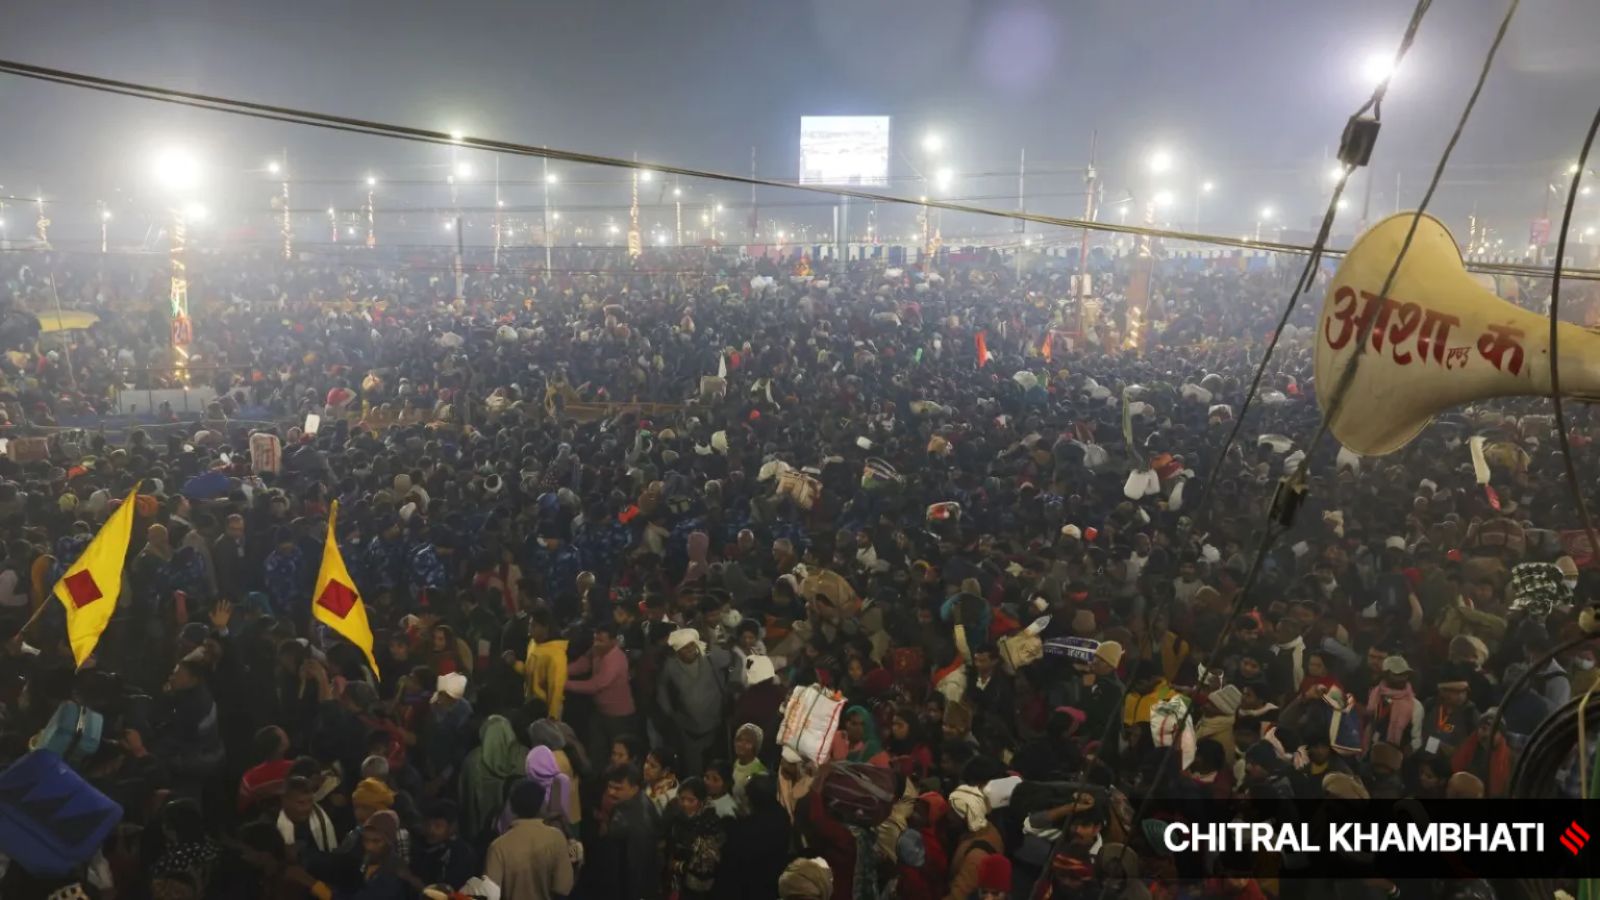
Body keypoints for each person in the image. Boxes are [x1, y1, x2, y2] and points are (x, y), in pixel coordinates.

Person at [485, 780, 575, 900]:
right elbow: (563, 889)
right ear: (540, 806)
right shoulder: (556, 838)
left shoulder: (498, 846)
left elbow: (489, 894)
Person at [657, 628, 726, 776]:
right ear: (677, 651)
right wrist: (668, 710)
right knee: (693, 766)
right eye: (684, 648)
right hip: (688, 727)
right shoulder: (670, 666)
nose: (689, 650)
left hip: (715, 723)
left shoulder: (710, 658)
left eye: (691, 646)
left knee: (716, 763)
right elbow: (661, 687)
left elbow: (732, 660)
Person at [596, 763, 661, 899]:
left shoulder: (639, 824)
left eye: (618, 788)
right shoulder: (627, 802)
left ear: (634, 788)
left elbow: (636, 871)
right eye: (610, 786)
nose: (611, 792)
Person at [664, 776, 726, 899]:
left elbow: (705, 864)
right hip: (676, 883)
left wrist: (678, 866)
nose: (685, 804)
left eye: (691, 800)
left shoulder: (709, 825)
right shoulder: (675, 816)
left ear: (701, 801)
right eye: (682, 799)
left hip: (699, 889)